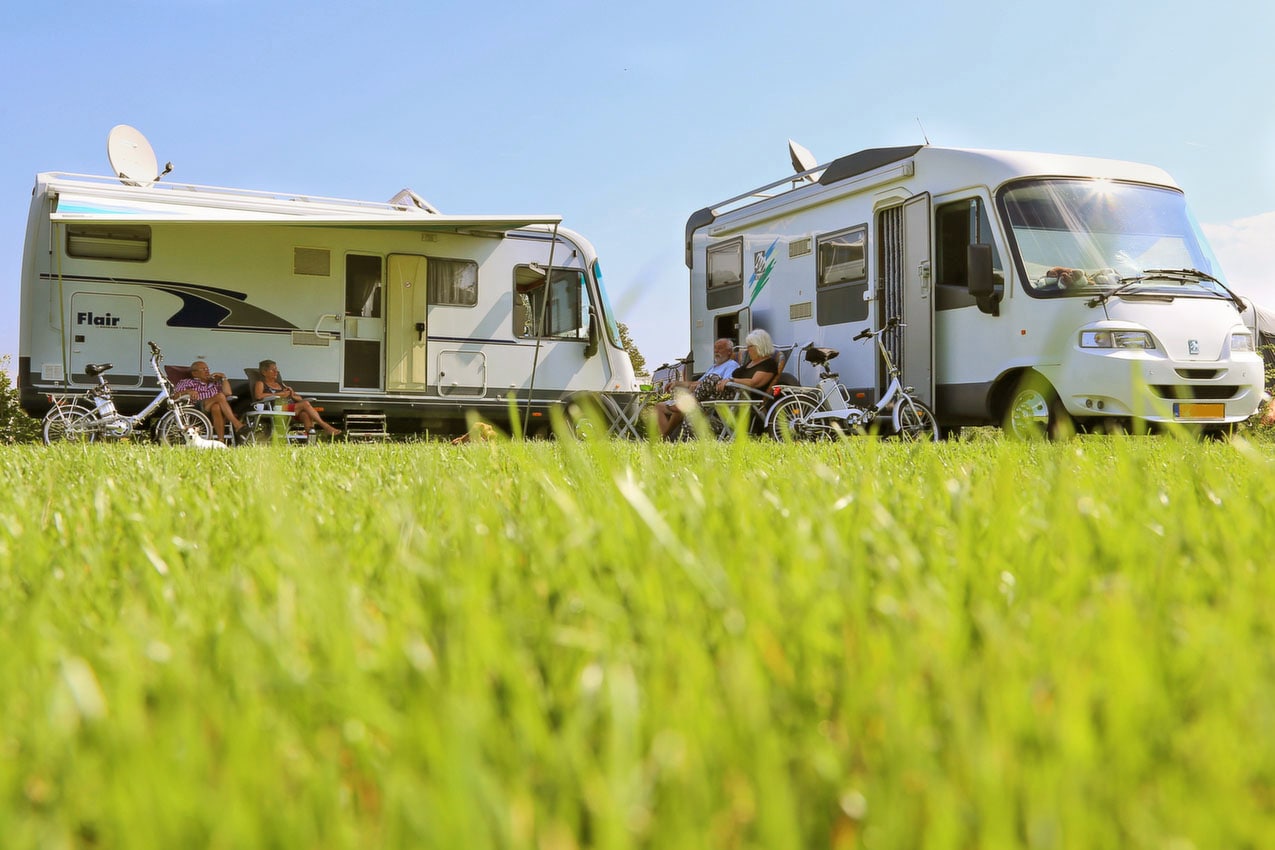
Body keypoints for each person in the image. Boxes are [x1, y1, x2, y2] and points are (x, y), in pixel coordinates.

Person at [653, 338, 740, 439]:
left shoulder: (731, 365)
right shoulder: (713, 367)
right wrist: (677, 383)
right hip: (697, 396)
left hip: (711, 401)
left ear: (729, 351)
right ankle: (666, 438)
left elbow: (724, 382)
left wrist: (697, 385)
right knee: (659, 406)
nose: (716, 351)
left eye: (720, 348)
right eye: (715, 348)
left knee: (683, 407)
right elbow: (696, 383)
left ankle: (664, 437)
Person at [252, 360, 341, 436]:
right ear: (264, 372)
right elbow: (259, 396)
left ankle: (310, 440)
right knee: (305, 404)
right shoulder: (261, 383)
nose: (276, 372)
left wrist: (292, 394)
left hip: (290, 408)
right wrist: (281, 394)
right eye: (273, 370)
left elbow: (299, 399)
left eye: (276, 369)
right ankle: (326, 426)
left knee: (305, 414)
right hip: (276, 408)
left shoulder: (281, 385)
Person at [173, 361, 248, 441]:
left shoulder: (215, 383)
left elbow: (228, 393)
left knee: (216, 407)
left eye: (207, 369)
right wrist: (187, 391)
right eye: (203, 369)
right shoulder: (187, 382)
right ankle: (237, 424)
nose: (207, 371)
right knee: (220, 396)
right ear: (195, 373)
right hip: (196, 408)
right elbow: (173, 396)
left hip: (213, 411)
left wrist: (223, 377)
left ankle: (221, 441)